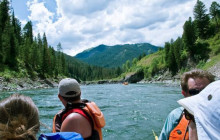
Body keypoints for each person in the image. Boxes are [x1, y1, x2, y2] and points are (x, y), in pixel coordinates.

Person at [159, 69, 215, 140]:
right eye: (194, 92)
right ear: (184, 94)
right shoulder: (175, 116)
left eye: (206, 91)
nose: (202, 96)